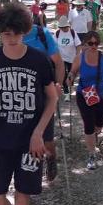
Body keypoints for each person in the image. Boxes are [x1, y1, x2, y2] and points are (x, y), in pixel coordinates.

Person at [0, 2, 58, 205]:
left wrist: (38, 133)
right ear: (0, 33)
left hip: (29, 144)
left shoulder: (39, 60)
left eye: (16, 33)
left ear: (24, 30)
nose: (11, 38)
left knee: (23, 198)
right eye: (6, 34)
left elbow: (52, 98)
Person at [22, 13, 65, 182]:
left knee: (46, 137)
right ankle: (32, 172)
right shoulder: (12, 36)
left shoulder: (42, 34)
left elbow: (59, 63)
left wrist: (58, 84)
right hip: (22, 93)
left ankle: (51, 157)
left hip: (44, 93)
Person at [66, 31, 103, 169]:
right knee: (89, 124)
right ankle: (92, 154)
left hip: (101, 96)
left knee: (98, 125)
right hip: (84, 94)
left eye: (96, 43)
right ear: (85, 44)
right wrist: (69, 77)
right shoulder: (79, 58)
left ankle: (94, 136)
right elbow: (73, 72)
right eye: (91, 43)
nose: (94, 46)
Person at [54, 16, 81, 102]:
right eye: (62, 27)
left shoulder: (73, 32)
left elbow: (78, 45)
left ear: (68, 26)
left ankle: (70, 87)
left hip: (72, 58)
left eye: (65, 27)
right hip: (61, 58)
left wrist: (77, 55)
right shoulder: (57, 33)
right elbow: (53, 46)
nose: (64, 29)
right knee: (64, 75)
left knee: (71, 74)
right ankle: (66, 93)